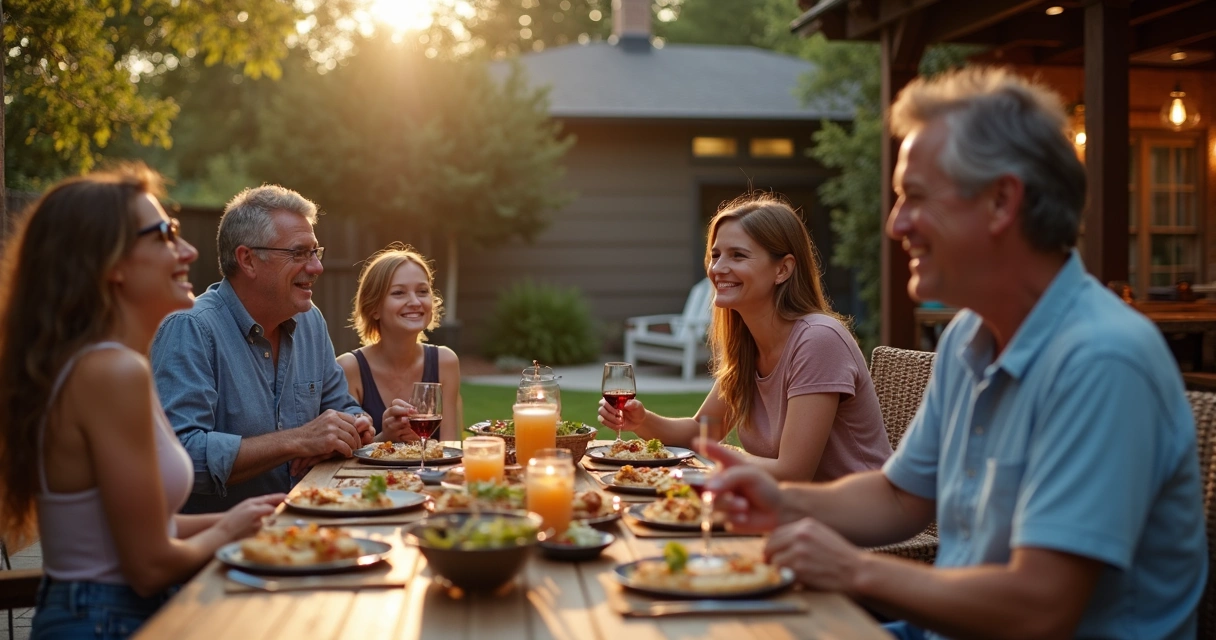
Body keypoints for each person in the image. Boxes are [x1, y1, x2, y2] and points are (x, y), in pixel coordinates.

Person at [706, 67, 1206, 639]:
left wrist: (853, 569)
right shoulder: (971, 338)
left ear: (1000, 202)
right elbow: (898, 498)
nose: (897, 225)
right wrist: (781, 499)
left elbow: (1040, 607)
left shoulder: (1102, 361)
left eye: (914, 197)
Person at [0, 166, 283, 639]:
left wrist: (260, 520)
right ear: (111, 263)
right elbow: (150, 564)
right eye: (165, 235)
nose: (189, 250)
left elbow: (143, 529)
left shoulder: (108, 363)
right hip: (104, 620)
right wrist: (229, 532)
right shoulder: (112, 373)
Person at [599, 194, 892, 482]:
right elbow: (703, 431)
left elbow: (794, 471)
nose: (718, 268)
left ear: (783, 269)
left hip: (853, 521)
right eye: (715, 255)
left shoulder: (819, 340)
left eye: (738, 255)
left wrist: (713, 458)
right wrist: (642, 420)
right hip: (787, 510)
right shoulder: (749, 345)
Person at [151, 185, 374, 513]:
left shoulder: (310, 320)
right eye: (298, 253)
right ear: (248, 260)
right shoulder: (191, 328)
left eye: (315, 252)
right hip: (222, 550)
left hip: (310, 532)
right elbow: (182, 457)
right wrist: (298, 440)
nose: (316, 268)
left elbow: (341, 406)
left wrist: (355, 426)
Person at [337, 244, 463, 442]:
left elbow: (451, 449)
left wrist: (416, 441)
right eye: (398, 293)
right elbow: (341, 459)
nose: (414, 301)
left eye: (422, 291)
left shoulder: (445, 362)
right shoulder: (349, 368)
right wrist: (385, 437)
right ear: (374, 308)